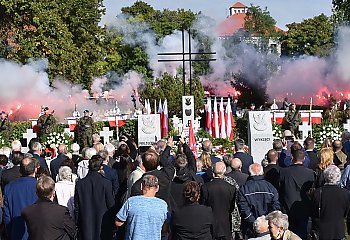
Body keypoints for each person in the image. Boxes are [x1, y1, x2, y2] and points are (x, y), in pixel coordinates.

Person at [21, 175, 76, 240]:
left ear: (37, 193)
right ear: (54, 193)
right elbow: (72, 231)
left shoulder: (27, 211)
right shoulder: (61, 211)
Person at [115, 175, 168, 240]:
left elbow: (118, 223)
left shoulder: (131, 201)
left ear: (141, 186)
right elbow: (165, 227)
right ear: (157, 188)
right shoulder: (163, 205)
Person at [75, 155, 115, 240]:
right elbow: (111, 205)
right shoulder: (106, 183)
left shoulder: (80, 184)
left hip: (85, 225)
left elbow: (77, 207)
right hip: (103, 226)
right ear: (101, 168)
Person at [278, 149, 314, 239]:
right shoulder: (310, 173)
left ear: (292, 158)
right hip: (303, 208)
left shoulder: (284, 172)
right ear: (304, 159)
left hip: (288, 208)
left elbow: (280, 188)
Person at [238, 163, 280, 238]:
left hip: (252, 226)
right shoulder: (270, 187)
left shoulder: (244, 188)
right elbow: (275, 206)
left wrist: (257, 222)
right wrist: (265, 221)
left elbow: (244, 209)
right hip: (263, 226)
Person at [311, 165, 350, 240]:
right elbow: (347, 213)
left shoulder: (318, 192)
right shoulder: (346, 194)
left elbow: (313, 211)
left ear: (325, 177)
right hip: (338, 230)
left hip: (321, 231)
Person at [4, 157, 39, 240]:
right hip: (37, 232)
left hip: (17, 232)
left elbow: (7, 217)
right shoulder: (40, 186)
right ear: (35, 170)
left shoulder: (9, 187)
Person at [201, 161, 236, 240]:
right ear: (224, 172)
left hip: (210, 223)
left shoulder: (205, 187)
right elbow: (231, 207)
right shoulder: (231, 188)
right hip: (225, 224)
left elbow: (203, 204)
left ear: (213, 173)